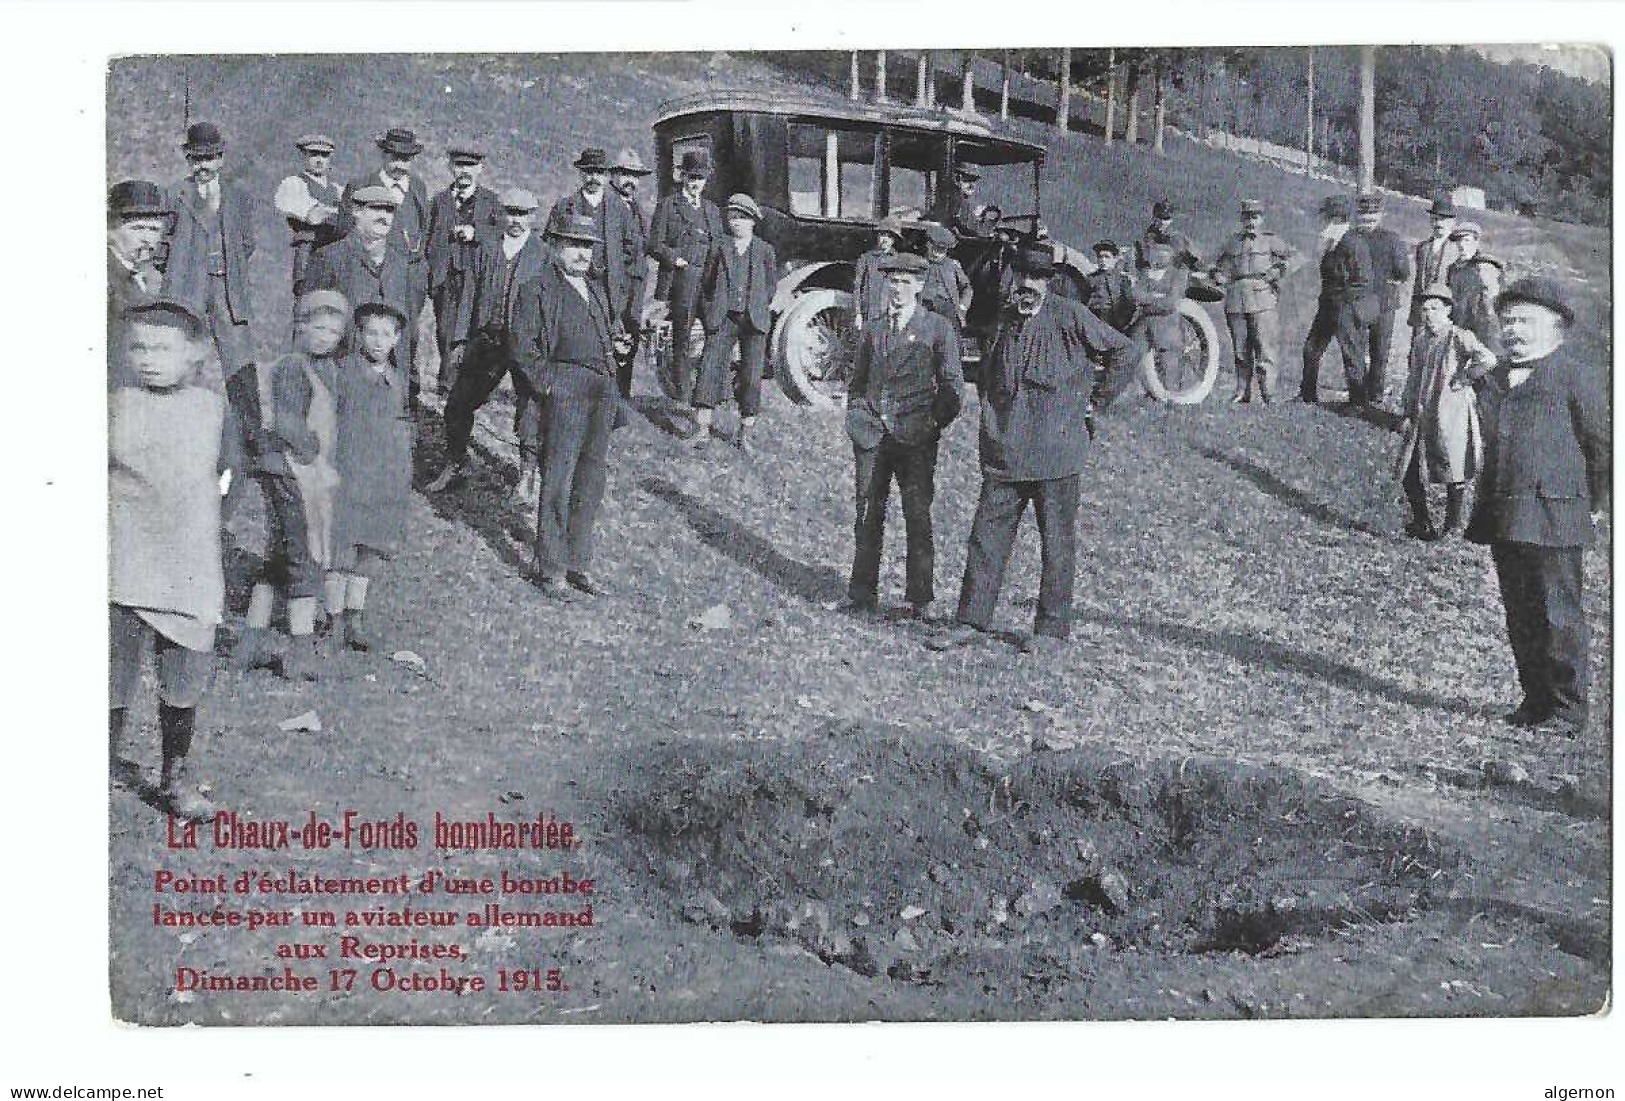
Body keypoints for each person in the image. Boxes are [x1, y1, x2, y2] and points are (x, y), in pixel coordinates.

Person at [928, 249, 1133, 656]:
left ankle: (1051, 631)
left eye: (1037, 279)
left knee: (1056, 542)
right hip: (1006, 452)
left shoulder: (1071, 316)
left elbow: (1124, 351)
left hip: (1057, 456)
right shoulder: (1003, 319)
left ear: (1049, 282)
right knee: (985, 539)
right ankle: (971, 620)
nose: (1028, 285)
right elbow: (989, 377)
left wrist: (1096, 401)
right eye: (1022, 276)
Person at [1466, 277, 1609, 738]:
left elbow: (1602, 444)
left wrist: (1597, 502)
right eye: (1507, 321)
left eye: (1526, 321)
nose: (1514, 330)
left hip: (1556, 515)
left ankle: (1568, 711)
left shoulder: (1572, 374)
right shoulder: (1493, 378)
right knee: (1521, 612)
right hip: (1506, 512)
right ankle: (1535, 701)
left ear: (1556, 329)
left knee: (1558, 614)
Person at [110, 299, 234, 820]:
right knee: (108, 671)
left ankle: (174, 776)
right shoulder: (115, 403)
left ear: (195, 355)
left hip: (186, 565)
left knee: (182, 674)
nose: (149, 358)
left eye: (163, 348)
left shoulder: (211, 409)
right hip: (119, 560)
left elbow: (231, 472)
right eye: (139, 346)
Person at [509, 211, 631, 602]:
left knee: (590, 482)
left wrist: (618, 353)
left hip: (601, 391)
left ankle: (577, 562)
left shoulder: (594, 290)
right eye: (574, 245)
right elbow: (522, 346)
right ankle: (551, 568)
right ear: (556, 246)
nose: (582, 253)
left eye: (587, 246)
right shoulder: (536, 289)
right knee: (558, 481)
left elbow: (603, 336)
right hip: (565, 392)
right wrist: (548, 384)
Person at [232, 290, 347, 681]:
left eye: (334, 332)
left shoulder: (317, 368)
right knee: (305, 557)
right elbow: (288, 422)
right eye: (319, 328)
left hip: (287, 471)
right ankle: (299, 652)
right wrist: (312, 450)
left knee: (279, 558)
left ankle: (248, 643)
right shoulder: (294, 368)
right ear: (299, 327)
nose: (326, 337)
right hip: (291, 471)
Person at [843, 251, 964, 621]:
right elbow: (858, 380)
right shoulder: (875, 328)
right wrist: (858, 416)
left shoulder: (937, 329)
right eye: (892, 281)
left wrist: (930, 424)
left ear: (920, 286)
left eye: (905, 282)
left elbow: (953, 387)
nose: (897, 289)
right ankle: (862, 593)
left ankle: (920, 599)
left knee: (917, 514)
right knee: (867, 513)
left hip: (915, 438)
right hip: (873, 436)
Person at [425, 188, 551, 498]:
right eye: (511, 213)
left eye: (524, 215)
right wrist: (459, 339)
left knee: (530, 408)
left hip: (525, 344)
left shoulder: (543, 254)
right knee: (457, 403)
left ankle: (527, 473)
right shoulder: (488, 248)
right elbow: (469, 293)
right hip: (487, 340)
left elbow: (550, 305)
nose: (516, 220)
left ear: (533, 218)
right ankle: (456, 463)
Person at [326, 301, 412, 652]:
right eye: (371, 333)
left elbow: (401, 428)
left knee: (370, 548)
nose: (378, 341)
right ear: (358, 334)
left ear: (396, 340)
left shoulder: (396, 380)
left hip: (383, 478)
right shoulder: (342, 372)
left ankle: (354, 616)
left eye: (386, 335)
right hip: (348, 472)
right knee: (341, 547)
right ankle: (330, 617)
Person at [301, 185, 428, 404]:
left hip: (389, 378)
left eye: (389, 210)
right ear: (356, 212)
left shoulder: (401, 263)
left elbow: (408, 327)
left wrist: (405, 378)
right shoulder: (329, 257)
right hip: (343, 374)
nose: (384, 217)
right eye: (376, 209)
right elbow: (309, 324)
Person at [1393, 284, 1494, 540]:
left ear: (1447, 310)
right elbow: (1413, 377)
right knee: (1409, 468)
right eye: (1425, 309)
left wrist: (1464, 377)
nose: (1429, 314)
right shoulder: (1421, 339)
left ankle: (1452, 527)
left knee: (1453, 467)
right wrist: (1407, 409)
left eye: (1435, 308)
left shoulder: (1458, 336)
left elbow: (1487, 359)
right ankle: (1422, 521)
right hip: (1422, 410)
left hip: (1450, 411)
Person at [163, 122, 254, 398]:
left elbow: (247, 242)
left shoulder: (238, 196)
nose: (203, 166)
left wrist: (226, 267)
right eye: (196, 159)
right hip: (187, 290)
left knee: (241, 366)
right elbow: (161, 247)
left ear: (221, 158)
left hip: (228, 293)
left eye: (209, 158)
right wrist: (181, 270)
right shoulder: (173, 195)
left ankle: (249, 436)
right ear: (188, 159)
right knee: (179, 358)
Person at [691, 193, 776, 453]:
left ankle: (744, 434)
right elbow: (706, 282)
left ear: (753, 221)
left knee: (751, 376)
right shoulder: (720, 245)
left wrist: (758, 305)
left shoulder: (764, 250)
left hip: (753, 321)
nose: (736, 222)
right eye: (732, 217)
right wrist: (711, 310)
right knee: (710, 367)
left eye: (742, 218)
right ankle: (702, 430)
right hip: (724, 316)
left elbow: (770, 285)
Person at [647, 150, 726, 411]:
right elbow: (654, 244)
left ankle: (711, 392)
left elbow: (719, 246)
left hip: (709, 281)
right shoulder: (669, 206)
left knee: (715, 334)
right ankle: (681, 394)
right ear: (683, 177)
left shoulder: (712, 210)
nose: (696, 183)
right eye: (692, 177)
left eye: (700, 178)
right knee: (682, 338)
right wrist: (676, 259)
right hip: (682, 280)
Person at [423, 142, 502, 393]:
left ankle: (470, 385)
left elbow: (503, 233)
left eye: (470, 166)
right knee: (445, 330)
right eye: (459, 165)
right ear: (450, 167)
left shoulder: (491, 202)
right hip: (446, 278)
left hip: (477, 278)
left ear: (480, 168)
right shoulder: (439, 201)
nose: (464, 171)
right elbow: (427, 238)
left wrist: (476, 232)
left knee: (474, 331)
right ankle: (447, 382)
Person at [1211, 198, 1295, 405]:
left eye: (1255, 216)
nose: (1251, 221)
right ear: (1242, 218)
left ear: (1262, 219)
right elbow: (1217, 264)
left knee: (1265, 348)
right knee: (1240, 349)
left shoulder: (1270, 240)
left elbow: (1293, 257)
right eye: (1247, 216)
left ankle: (1270, 393)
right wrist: (1217, 275)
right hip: (1236, 299)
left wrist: (1278, 271)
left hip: (1262, 298)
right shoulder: (1232, 241)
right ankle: (1242, 391)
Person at [1301, 194, 1375, 405]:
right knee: (1311, 350)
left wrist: (1344, 304)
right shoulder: (1333, 243)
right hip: (1328, 306)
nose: (1322, 225)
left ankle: (1358, 403)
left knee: (1352, 356)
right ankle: (1307, 396)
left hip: (1347, 308)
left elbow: (1363, 281)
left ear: (1337, 220)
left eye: (1326, 220)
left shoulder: (1353, 244)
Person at [1350, 192, 1412, 407]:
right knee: (1372, 349)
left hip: (1373, 301)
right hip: (1369, 301)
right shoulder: (1389, 238)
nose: (1367, 220)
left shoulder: (1353, 237)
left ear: (1379, 216)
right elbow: (1403, 272)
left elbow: (1403, 271)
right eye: (1365, 216)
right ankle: (1367, 394)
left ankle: (1365, 394)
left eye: (1370, 216)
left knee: (1368, 349)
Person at [107, 180, 170, 387]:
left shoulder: (146, 278)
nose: (146, 239)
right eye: (137, 228)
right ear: (111, 230)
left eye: (153, 229)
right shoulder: (107, 278)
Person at [339, 127, 431, 259]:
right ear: (383, 154)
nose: (400, 165)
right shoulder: (359, 187)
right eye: (395, 158)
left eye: (405, 160)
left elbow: (424, 229)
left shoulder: (418, 187)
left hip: (412, 270)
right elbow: (345, 231)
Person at [609, 148, 654, 398]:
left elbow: (648, 244)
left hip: (635, 287)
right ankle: (605, 396)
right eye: (626, 174)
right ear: (614, 175)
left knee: (629, 339)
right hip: (615, 284)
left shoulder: (637, 209)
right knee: (610, 337)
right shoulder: (608, 206)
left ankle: (621, 396)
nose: (631, 181)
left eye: (635, 176)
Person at [273, 134, 344, 294]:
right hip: (309, 251)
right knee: (307, 302)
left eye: (324, 155)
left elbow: (350, 220)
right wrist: (335, 213)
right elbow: (313, 216)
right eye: (313, 154)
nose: (319, 160)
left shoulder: (338, 190)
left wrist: (330, 213)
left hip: (336, 253)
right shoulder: (293, 184)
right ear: (304, 155)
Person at [1128, 238, 1190, 398]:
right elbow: (1135, 295)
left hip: (1167, 325)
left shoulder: (1178, 274)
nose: (1161, 256)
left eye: (1165, 252)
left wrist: (1147, 300)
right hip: (1143, 323)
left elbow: (1170, 303)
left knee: (1169, 361)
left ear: (1172, 255)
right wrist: (1155, 298)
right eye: (1157, 252)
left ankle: (1172, 397)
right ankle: (1146, 393)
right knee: (1133, 354)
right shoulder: (1145, 274)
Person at [1446, 222, 1504, 352]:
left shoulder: (1486, 266)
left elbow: (1493, 306)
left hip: (1483, 331)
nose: (1462, 246)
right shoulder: (1453, 269)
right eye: (1458, 241)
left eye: (1467, 240)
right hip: (1459, 329)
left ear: (1476, 242)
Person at [1410, 195, 1461, 328]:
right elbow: (1417, 283)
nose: (1439, 224)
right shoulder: (1423, 247)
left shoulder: (1457, 247)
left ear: (1452, 222)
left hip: (1444, 310)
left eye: (1443, 220)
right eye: (1435, 219)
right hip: (1423, 310)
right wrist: (1414, 313)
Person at [852, 216, 906, 335]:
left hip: (890, 316)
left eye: (890, 236)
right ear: (877, 236)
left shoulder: (899, 261)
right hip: (869, 314)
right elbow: (857, 288)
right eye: (882, 234)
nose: (885, 240)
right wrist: (858, 314)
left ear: (894, 240)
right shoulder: (866, 258)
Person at [920, 223, 971, 334]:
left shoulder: (953, 265)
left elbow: (967, 287)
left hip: (948, 308)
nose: (937, 255)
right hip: (924, 307)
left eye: (942, 251)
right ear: (928, 245)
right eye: (935, 250)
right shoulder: (918, 263)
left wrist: (962, 306)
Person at [1082, 240, 1135, 334]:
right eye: (1100, 257)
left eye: (1107, 257)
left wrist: (1122, 323)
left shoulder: (1122, 279)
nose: (1103, 260)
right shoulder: (1090, 278)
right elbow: (1083, 302)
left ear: (1114, 259)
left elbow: (1129, 303)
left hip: (1117, 322)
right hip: (1094, 321)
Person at [1134, 198, 1199, 272]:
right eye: (1164, 210)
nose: (1165, 212)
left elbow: (1174, 213)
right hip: (1157, 244)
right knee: (1175, 242)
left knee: (1178, 240)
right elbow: (1150, 238)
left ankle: (1188, 259)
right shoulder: (1156, 225)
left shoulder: (1163, 220)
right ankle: (1187, 260)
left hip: (1160, 242)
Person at [942, 165, 986, 240]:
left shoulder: (964, 200)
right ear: (957, 179)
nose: (971, 185)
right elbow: (951, 224)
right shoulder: (953, 197)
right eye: (967, 180)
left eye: (974, 181)